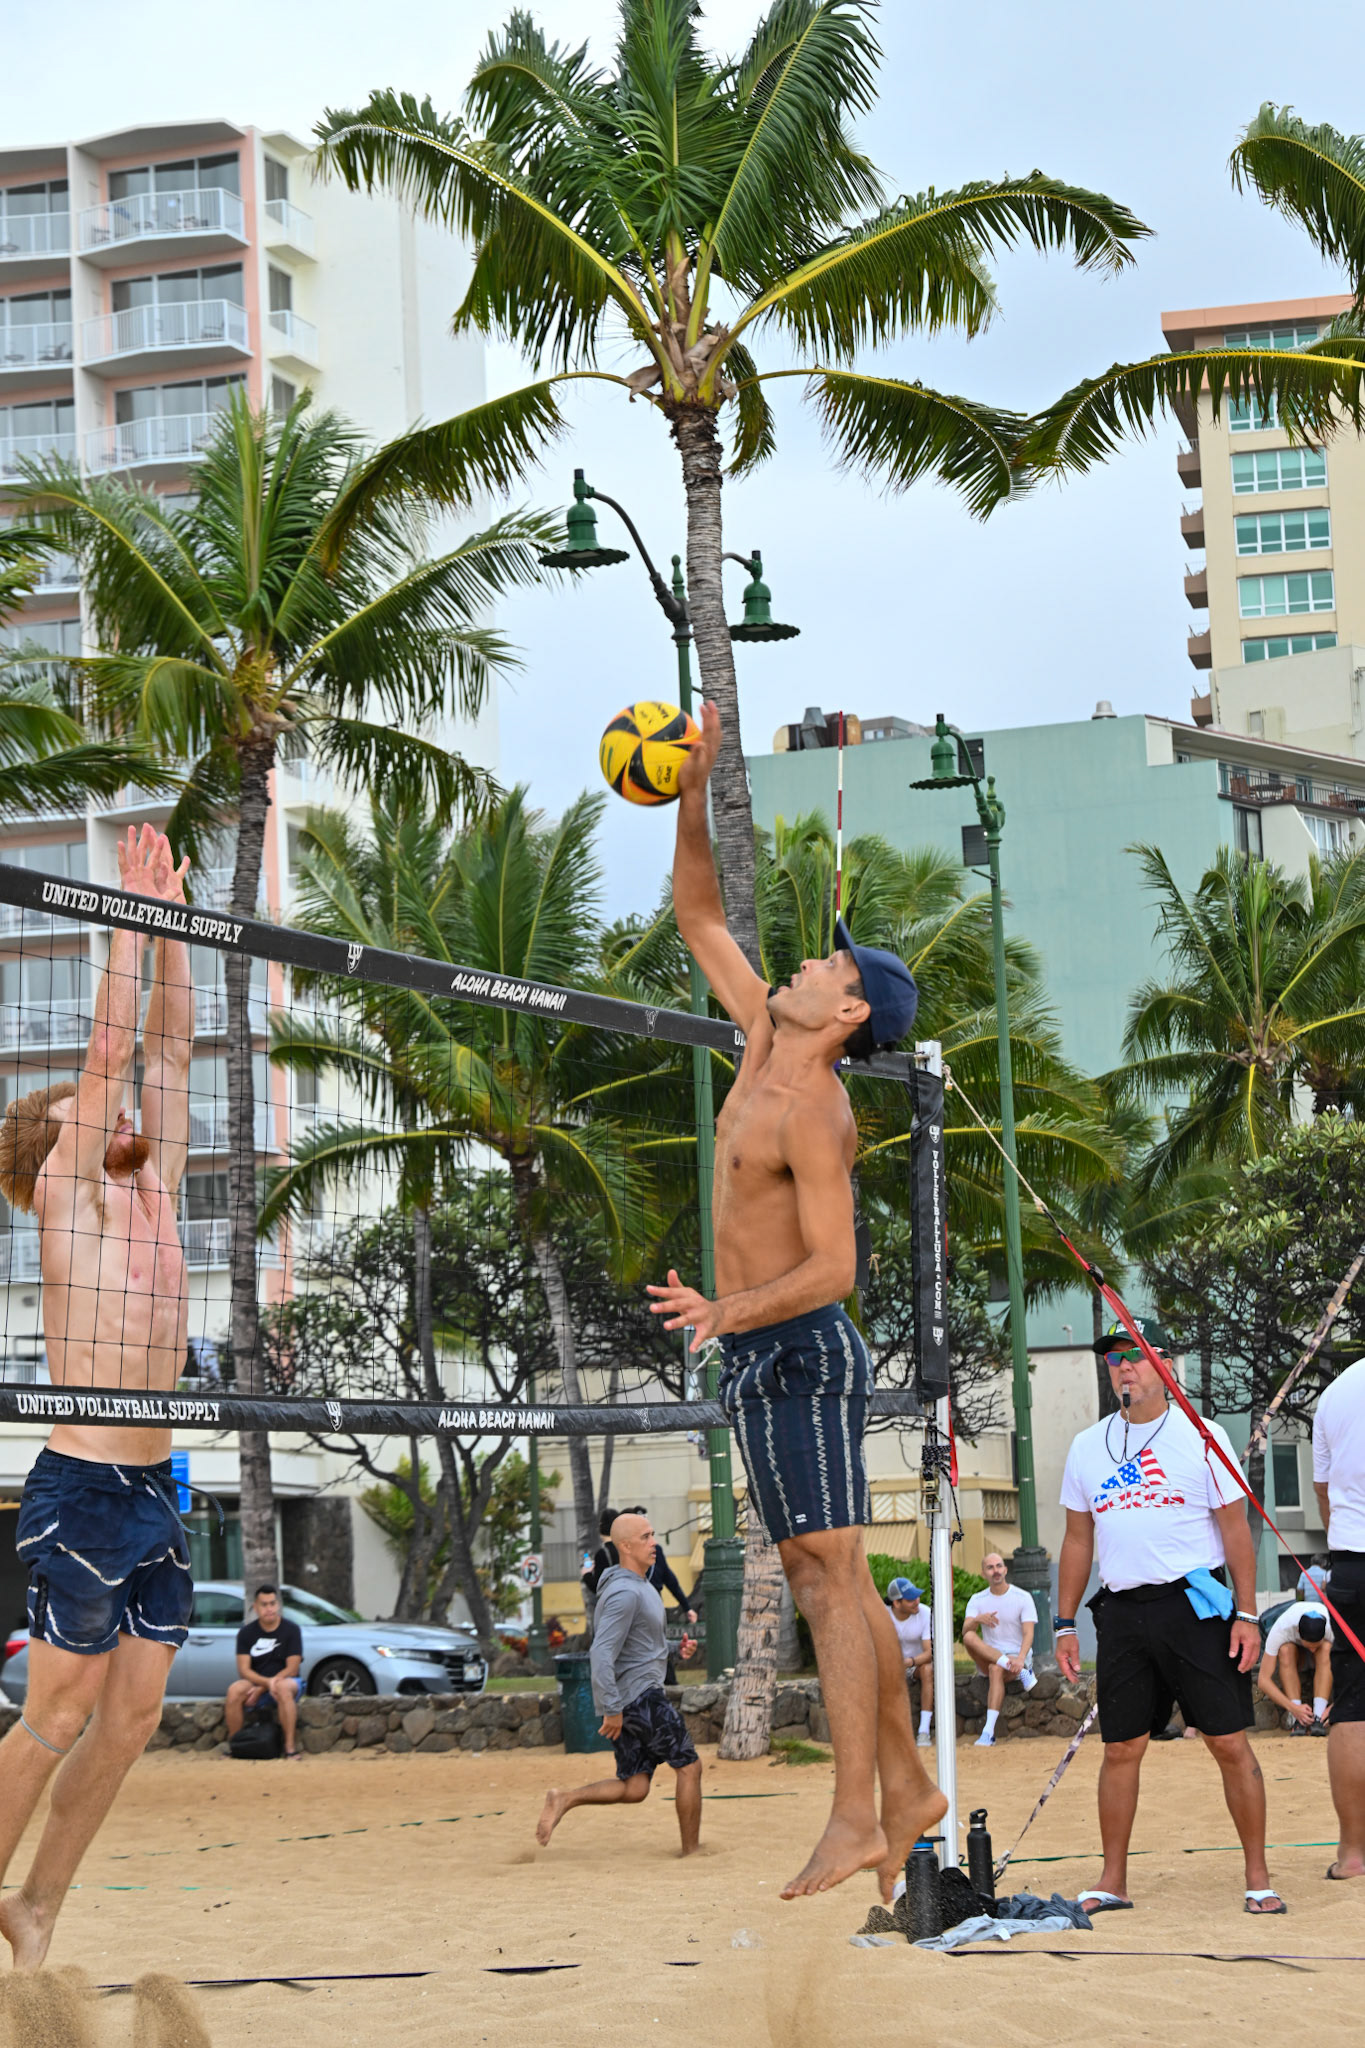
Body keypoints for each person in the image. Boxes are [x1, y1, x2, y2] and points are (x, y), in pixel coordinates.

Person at [645, 702, 945, 1901]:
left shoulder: (815, 1109)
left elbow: (837, 1270)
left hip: (804, 1347)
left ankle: (859, 1815)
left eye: (826, 964)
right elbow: (699, 913)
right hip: (759, 1354)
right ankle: (912, 1784)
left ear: (850, 1010)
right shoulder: (760, 1034)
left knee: (830, 1572)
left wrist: (731, 1309)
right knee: (836, 1575)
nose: (805, 963)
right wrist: (690, 784)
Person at [0, 825, 194, 1969]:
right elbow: (114, 1045)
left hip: (153, 1484)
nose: (115, 1108)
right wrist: (127, 913)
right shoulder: (65, 1191)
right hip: (80, 1479)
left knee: (128, 1721)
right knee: (59, 1711)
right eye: (92, 1107)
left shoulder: (151, 1177)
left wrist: (172, 919)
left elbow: (163, 1051)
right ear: (52, 1145)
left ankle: (36, 1906)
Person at [1055, 1320, 1285, 1916]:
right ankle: (1113, 1881)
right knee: (1121, 1748)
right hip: (1124, 1612)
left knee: (1228, 1742)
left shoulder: (1202, 1436)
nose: (1123, 1368)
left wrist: (1247, 1613)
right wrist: (1062, 1622)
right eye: (1113, 1361)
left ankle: (1258, 1876)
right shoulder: (1088, 1446)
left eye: (1133, 1356)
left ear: (1164, 1364)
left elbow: (1237, 1530)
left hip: (1196, 1606)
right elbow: (1078, 1539)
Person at [536, 1512, 702, 1857]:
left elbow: (637, 1647)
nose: (654, 1542)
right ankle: (691, 1852)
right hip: (640, 1698)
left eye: (653, 1534)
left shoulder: (639, 1586)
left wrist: (675, 1650)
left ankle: (564, 1798)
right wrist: (611, 1709)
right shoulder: (625, 1593)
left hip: (633, 1697)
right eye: (645, 1537)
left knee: (635, 1787)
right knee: (689, 1767)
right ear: (625, 1546)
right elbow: (601, 1653)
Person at [1312, 1354, 1365, 1880]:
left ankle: (1353, 1853)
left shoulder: (1337, 1392)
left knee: (1352, 1707)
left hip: (1352, 1562)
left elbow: (1323, 1493)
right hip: (1351, 1556)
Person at [961, 1553, 1037, 1746]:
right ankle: (1016, 1669)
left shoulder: (1023, 1597)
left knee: (996, 1669)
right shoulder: (977, 1599)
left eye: (998, 1566)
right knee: (969, 1635)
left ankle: (988, 1733)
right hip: (990, 1656)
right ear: (983, 1573)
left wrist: (1019, 1659)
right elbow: (964, 1632)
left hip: (1015, 1655)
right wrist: (978, 1619)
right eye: (990, 1567)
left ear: (1005, 1569)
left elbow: (1028, 1633)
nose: (995, 1571)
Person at [225, 1587, 305, 1761]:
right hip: (256, 1681)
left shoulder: (292, 1630)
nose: (269, 1608)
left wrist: (264, 1687)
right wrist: (265, 1684)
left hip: (287, 1680)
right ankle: (236, 1745)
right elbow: (244, 1670)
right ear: (255, 1607)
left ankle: (289, 1748)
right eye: (264, 1604)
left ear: (278, 1605)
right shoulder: (246, 1633)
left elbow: (293, 1667)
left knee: (283, 1688)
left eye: (272, 1603)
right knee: (234, 1690)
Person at [1257, 1602, 1332, 1735]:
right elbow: (1263, 1680)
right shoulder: (1281, 1628)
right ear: (1297, 1631)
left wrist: (1335, 1708)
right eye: (1309, 1646)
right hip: (1295, 1654)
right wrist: (1293, 1708)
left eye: (1316, 1646)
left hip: (1324, 1656)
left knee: (1325, 1649)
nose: (1313, 1650)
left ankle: (1318, 1718)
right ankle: (1298, 1719)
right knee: (1285, 1651)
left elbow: (1357, 1672)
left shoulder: (1333, 1629)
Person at [885, 1579, 934, 1747]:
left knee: (928, 1670)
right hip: (889, 1666)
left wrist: (910, 1662)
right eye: (911, 1599)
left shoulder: (926, 1613)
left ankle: (924, 1731)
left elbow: (930, 1653)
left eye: (917, 1597)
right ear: (896, 1603)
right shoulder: (882, 1615)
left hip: (915, 1665)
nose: (917, 1602)